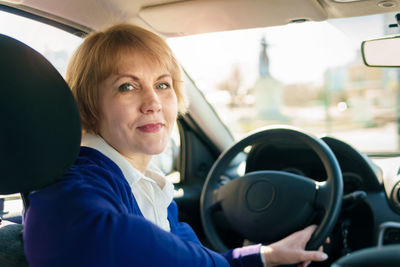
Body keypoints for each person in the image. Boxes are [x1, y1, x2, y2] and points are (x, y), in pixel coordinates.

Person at [23, 23, 328, 267]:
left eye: (162, 84)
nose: (153, 102)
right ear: (90, 104)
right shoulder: (72, 187)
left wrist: (265, 256)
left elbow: (187, 257)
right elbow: (123, 241)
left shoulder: (151, 185)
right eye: (127, 86)